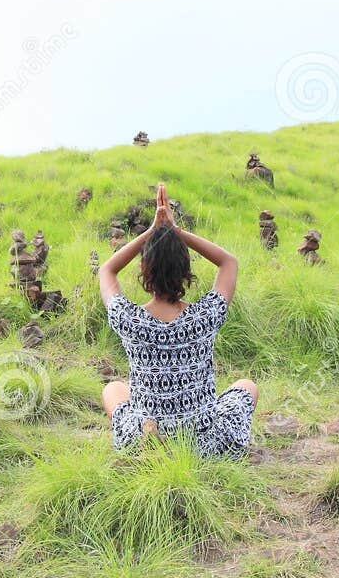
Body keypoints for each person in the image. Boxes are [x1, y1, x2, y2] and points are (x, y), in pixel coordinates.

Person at [97, 182, 259, 456]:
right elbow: (228, 262)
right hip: (204, 442)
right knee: (247, 386)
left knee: (113, 389)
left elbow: (106, 271)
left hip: (148, 437)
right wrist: (176, 231)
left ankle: (151, 445)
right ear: (186, 269)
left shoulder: (130, 320)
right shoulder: (204, 316)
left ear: (144, 269)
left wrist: (151, 233)